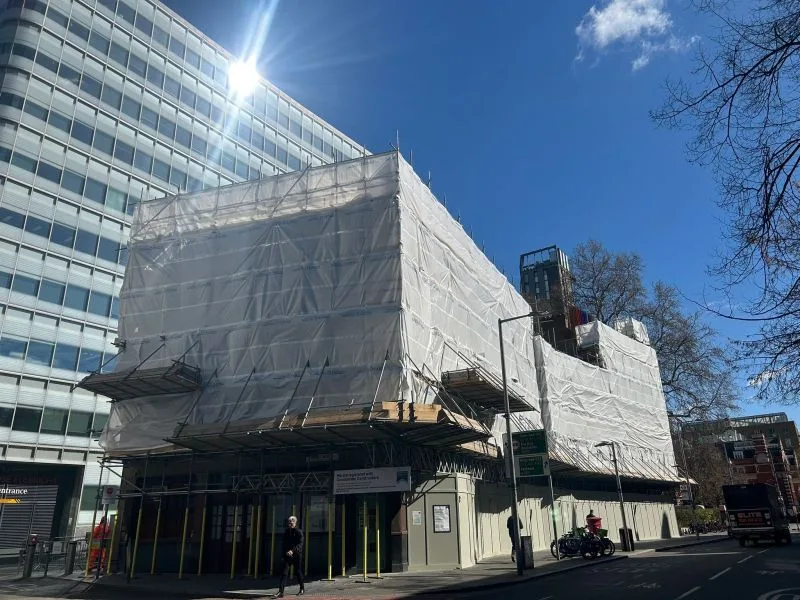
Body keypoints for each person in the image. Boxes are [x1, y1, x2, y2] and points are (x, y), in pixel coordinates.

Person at [274, 515, 304, 598]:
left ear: (295, 523)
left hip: (296, 555)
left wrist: (292, 550)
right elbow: (284, 544)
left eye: (291, 522)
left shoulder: (299, 532)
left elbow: (300, 544)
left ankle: (302, 588)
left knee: (297, 572)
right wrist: (285, 553)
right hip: (287, 555)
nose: (290, 524)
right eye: (289, 523)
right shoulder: (286, 532)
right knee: (284, 573)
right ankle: (281, 592)